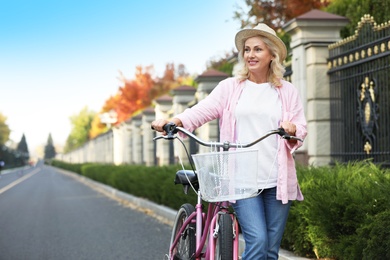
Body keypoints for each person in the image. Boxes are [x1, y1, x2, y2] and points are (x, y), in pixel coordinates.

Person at [151, 23, 307, 260]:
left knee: (270, 251)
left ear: (272, 54)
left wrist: (293, 128)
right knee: (258, 242)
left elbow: (301, 128)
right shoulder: (230, 88)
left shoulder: (287, 91)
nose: (250, 55)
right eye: (247, 49)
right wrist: (176, 121)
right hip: (243, 180)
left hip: (277, 180)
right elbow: (202, 110)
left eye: (257, 49)